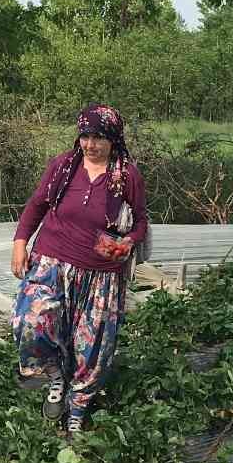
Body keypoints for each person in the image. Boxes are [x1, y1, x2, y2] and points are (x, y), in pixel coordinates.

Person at [11, 103, 149, 436]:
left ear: (113, 139)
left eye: (99, 137)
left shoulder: (126, 176)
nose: (91, 144)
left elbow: (141, 221)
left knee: (92, 346)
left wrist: (129, 241)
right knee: (30, 322)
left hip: (100, 274)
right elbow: (37, 205)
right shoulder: (63, 167)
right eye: (86, 135)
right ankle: (56, 377)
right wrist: (20, 243)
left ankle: (77, 408)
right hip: (51, 263)